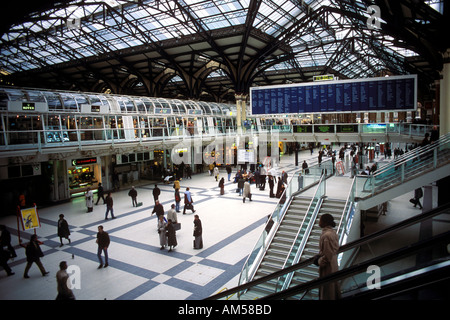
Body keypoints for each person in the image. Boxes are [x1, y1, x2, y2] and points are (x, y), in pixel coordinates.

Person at [314, 214, 340, 300]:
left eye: (320, 220)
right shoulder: (333, 233)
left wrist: (318, 261)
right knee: (333, 288)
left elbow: (327, 256)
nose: (319, 222)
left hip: (328, 268)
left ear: (324, 222)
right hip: (334, 264)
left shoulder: (326, 236)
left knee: (327, 291)